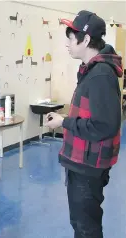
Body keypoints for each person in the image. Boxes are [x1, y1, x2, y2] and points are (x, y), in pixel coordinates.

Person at [45, 11, 123, 238]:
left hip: (88, 166)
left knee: (86, 227)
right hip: (83, 161)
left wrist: (64, 122)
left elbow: (106, 126)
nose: (67, 44)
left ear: (86, 40)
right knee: (80, 223)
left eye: (71, 38)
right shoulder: (91, 70)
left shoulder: (100, 75)